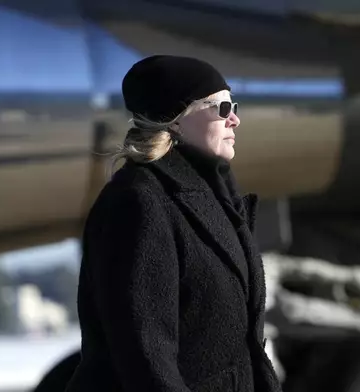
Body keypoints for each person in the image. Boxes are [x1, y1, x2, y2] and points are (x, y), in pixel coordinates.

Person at [65, 55, 282, 392]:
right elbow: (147, 359)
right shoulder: (139, 203)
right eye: (221, 109)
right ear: (176, 120)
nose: (235, 119)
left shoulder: (217, 200)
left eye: (233, 106)